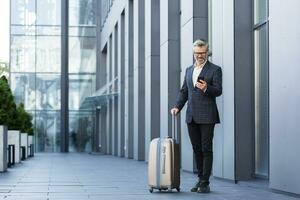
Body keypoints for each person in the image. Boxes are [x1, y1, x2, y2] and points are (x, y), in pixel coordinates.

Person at [170, 39, 222, 193]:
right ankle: (200, 179)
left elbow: (218, 90)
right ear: (193, 53)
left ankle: (205, 183)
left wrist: (207, 88)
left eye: (203, 52)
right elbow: (184, 91)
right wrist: (177, 107)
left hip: (207, 115)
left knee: (206, 149)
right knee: (196, 149)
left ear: (207, 52)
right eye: (197, 53)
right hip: (191, 116)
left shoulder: (215, 69)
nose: (200, 55)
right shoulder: (188, 70)